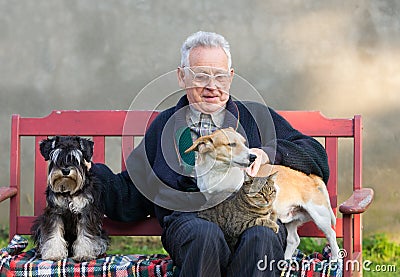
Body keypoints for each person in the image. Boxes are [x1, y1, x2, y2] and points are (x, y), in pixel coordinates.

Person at [88, 31, 329, 276]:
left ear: (231, 78)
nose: (212, 86)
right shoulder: (165, 127)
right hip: (190, 221)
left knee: (263, 236)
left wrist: (268, 154)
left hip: (254, 216)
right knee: (203, 236)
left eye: (220, 76)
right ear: (182, 77)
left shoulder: (255, 117)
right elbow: (133, 190)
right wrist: (89, 173)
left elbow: (315, 155)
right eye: (201, 76)